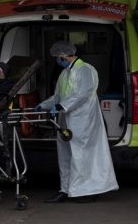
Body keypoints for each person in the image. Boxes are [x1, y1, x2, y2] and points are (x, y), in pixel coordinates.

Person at [35, 40, 118, 203]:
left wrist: (60, 106)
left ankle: (87, 190)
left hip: (84, 119)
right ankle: (66, 189)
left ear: (63, 56)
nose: (56, 61)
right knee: (66, 155)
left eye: (57, 57)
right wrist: (45, 105)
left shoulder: (85, 70)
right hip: (66, 119)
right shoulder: (65, 73)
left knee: (82, 154)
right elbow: (58, 96)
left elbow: (82, 94)